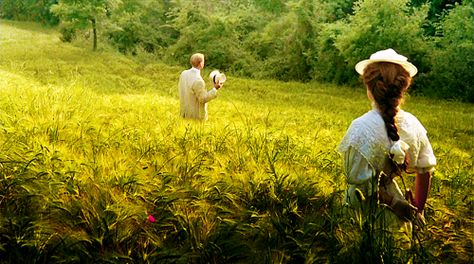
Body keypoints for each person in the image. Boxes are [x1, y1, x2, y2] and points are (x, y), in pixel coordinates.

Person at [338, 49, 436, 226]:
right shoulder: (413, 124)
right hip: (401, 215)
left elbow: (360, 186)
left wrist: (394, 203)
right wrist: (417, 211)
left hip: (363, 213)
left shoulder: (360, 127)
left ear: (369, 87)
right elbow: (425, 170)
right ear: (403, 88)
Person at [178, 53, 223, 121]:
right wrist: (215, 89)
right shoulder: (198, 81)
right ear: (201, 64)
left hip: (184, 112)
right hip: (195, 116)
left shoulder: (183, 74)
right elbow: (203, 99)